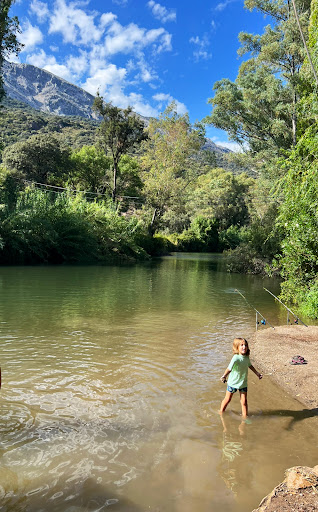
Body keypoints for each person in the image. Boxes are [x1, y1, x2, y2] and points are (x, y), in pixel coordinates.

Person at [219, 338, 262, 418]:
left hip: (243, 383)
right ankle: (221, 412)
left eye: (245, 345)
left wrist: (257, 373)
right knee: (228, 399)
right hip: (233, 383)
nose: (244, 347)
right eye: (241, 345)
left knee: (244, 402)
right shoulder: (236, 357)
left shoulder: (246, 357)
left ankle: (245, 417)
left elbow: (249, 365)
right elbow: (229, 368)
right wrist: (224, 376)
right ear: (237, 347)